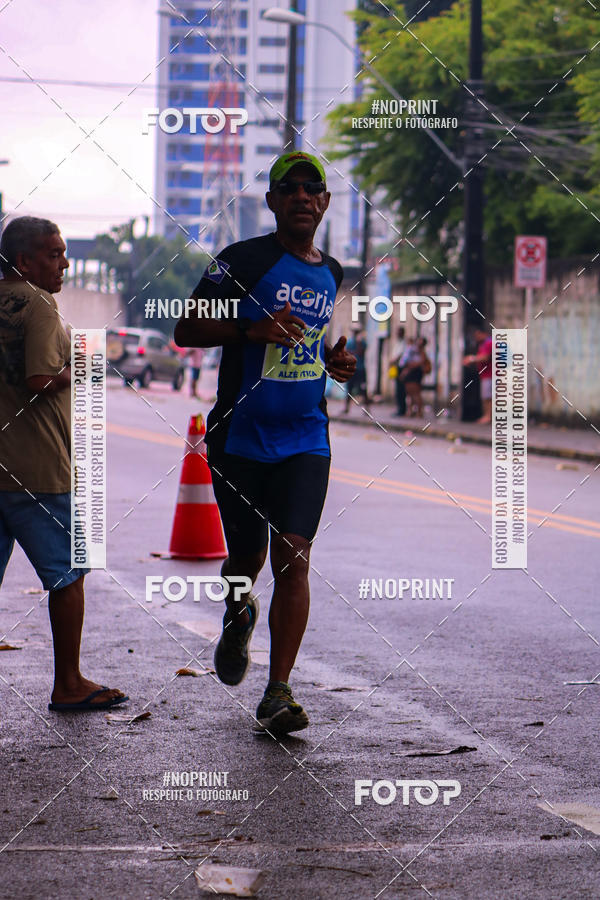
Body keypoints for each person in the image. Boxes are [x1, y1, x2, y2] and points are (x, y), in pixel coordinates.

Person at [175, 151, 356, 736]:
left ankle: (278, 692)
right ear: (273, 201)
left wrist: (333, 361)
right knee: (247, 559)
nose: (303, 196)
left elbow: (307, 341)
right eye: (290, 188)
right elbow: (186, 329)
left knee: (295, 557)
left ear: (325, 203)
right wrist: (248, 329)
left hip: (306, 438)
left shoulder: (332, 271)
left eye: (313, 188)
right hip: (240, 438)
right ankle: (237, 609)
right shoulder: (242, 260)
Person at [0, 217, 127, 712]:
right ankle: (69, 682)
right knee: (69, 575)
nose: (65, 263)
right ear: (26, 261)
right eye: (54, 254)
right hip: (37, 470)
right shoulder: (39, 305)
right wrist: (81, 366)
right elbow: (39, 377)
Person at [463, 327, 493, 424]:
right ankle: (487, 416)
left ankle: (488, 416)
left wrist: (471, 359)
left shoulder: (489, 343)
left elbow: (485, 357)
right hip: (485, 374)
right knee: (486, 396)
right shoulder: (483, 344)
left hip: (490, 374)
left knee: (488, 397)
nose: (476, 338)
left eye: (477, 335)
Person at [400, 336, 430, 417]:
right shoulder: (415, 350)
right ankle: (411, 410)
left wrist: (411, 366)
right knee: (410, 392)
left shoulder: (420, 351)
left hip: (415, 372)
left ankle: (419, 412)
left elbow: (421, 362)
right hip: (412, 372)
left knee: (415, 392)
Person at [343, 328, 368, 412]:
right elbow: (347, 353)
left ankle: (367, 408)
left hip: (360, 368)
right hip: (352, 368)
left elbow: (361, 352)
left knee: (363, 388)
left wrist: (359, 343)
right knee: (349, 388)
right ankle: (346, 408)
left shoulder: (362, 342)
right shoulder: (350, 342)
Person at [390, 325, 407, 416]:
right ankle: (399, 408)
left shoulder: (403, 343)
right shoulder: (397, 343)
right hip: (396, 368)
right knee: (397, 389)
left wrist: (393, 361)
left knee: (400, 389)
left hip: (400, 368)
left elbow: (400, 355)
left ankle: (402, 409)